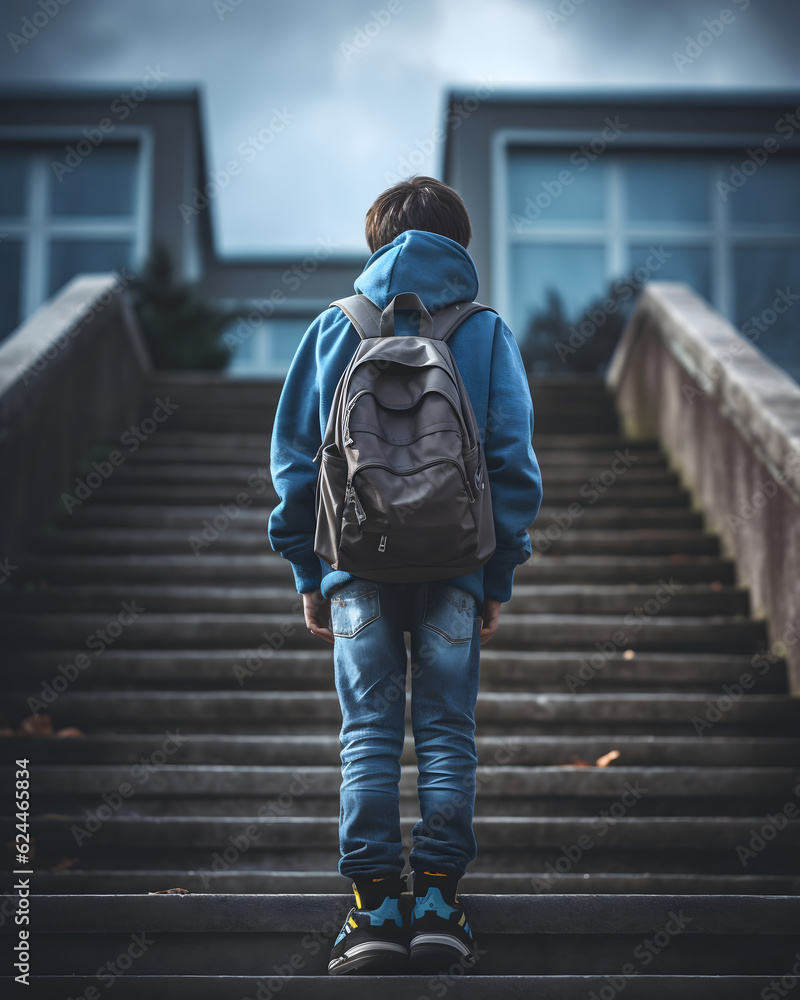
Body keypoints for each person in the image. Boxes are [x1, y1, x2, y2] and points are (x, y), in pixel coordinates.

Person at [268, 176, 542, 976]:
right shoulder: (484, 330)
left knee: (368, 734)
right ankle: (439, 904)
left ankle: (373, 911)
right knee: (449, 731)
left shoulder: (334, 326)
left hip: (355, 565)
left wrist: (306, 572)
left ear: (376, 243)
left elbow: (293, 464)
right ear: (459, 242)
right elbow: (513, 464)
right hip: (457, 565)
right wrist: (499, 577)